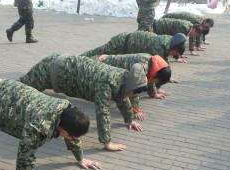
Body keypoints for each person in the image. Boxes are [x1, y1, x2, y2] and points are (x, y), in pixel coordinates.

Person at [19, 54, 147, 151]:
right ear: (130, 86)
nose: (130, 97)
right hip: (51, 69)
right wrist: (107, 142)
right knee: (21, 90)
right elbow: (103, 111)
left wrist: (129, 120)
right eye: (132, 93)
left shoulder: (123, 79)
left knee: (24, 90)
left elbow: (122, 97)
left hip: (62, 70)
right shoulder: (107, 82)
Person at [97, 53, 172, 106]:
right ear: (158, 75)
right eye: (158, 81)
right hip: (101, 63)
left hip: (106, 61)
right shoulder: (143, 68)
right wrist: (136, 110)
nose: (156, 82)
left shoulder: (153, 65)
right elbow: (133, 90)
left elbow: (151, 79)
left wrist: (153, 93)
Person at [81, 31, 187, 63]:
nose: (174, 56)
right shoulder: (159, 48)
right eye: (176, 54)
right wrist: (155, 92)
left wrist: (167, 76)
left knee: (102, 57)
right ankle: (77, 59)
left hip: (126, 44)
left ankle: (80, 60)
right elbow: (153, 70)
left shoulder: (167, 40)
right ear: (174, 49)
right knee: (98, 53)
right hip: (121, 43)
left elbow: (164, 59)